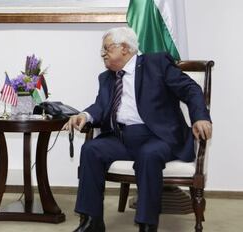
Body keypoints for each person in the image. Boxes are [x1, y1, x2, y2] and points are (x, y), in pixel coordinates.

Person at [64, 27, 212, 232]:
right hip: (121, 138)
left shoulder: (156, 63)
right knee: (91, 150)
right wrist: (84, 115)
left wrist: (200, 117)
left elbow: (191, 89)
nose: (102, 54)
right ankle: (91, 221)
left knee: (148, 155)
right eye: (102, 51)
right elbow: (100, 106)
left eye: (106, 49)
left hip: (158, 136)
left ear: (124, 48)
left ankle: (147, 224)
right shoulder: (106, 77)